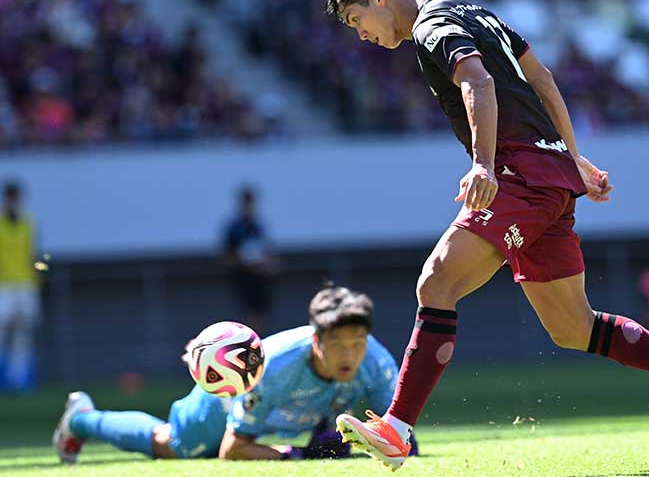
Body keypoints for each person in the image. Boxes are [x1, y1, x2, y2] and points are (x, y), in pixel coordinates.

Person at [324, 0, 649, 471]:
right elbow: (541, 78)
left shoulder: (432, 27)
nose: (361, 34)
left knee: (437, 283)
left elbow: (479, 83)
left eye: (356, 19)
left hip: (518, 175)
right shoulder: (469, 10)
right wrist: (573, 159)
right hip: (548, 175)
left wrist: (484, 165)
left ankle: (397, 428)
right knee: (573, 328)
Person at [52, 286, 417, 462]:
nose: (351, 354)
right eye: (338, 343)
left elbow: (400, 436)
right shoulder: (273, 369)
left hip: (277, 414)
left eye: (358, 342)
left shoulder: (377, 362)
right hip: (222, 401)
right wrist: (295, 455)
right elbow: (232, 449)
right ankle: (81, 419)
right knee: (172, 446)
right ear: (316, 340)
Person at [0, 180, 40, 392]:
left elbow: (32, 252)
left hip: (26, 284)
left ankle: (19, 379)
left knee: (23, 333)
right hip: (4, 285)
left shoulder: (28, 222)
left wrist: (38, 271)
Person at [223, 185, 274, 335]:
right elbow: (228, 257)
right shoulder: (234, 229)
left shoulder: (257, 227)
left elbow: (266, 250)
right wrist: (247, 263)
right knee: (248, 315)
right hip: (244, 280)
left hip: (261, 280)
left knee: (261, 314)